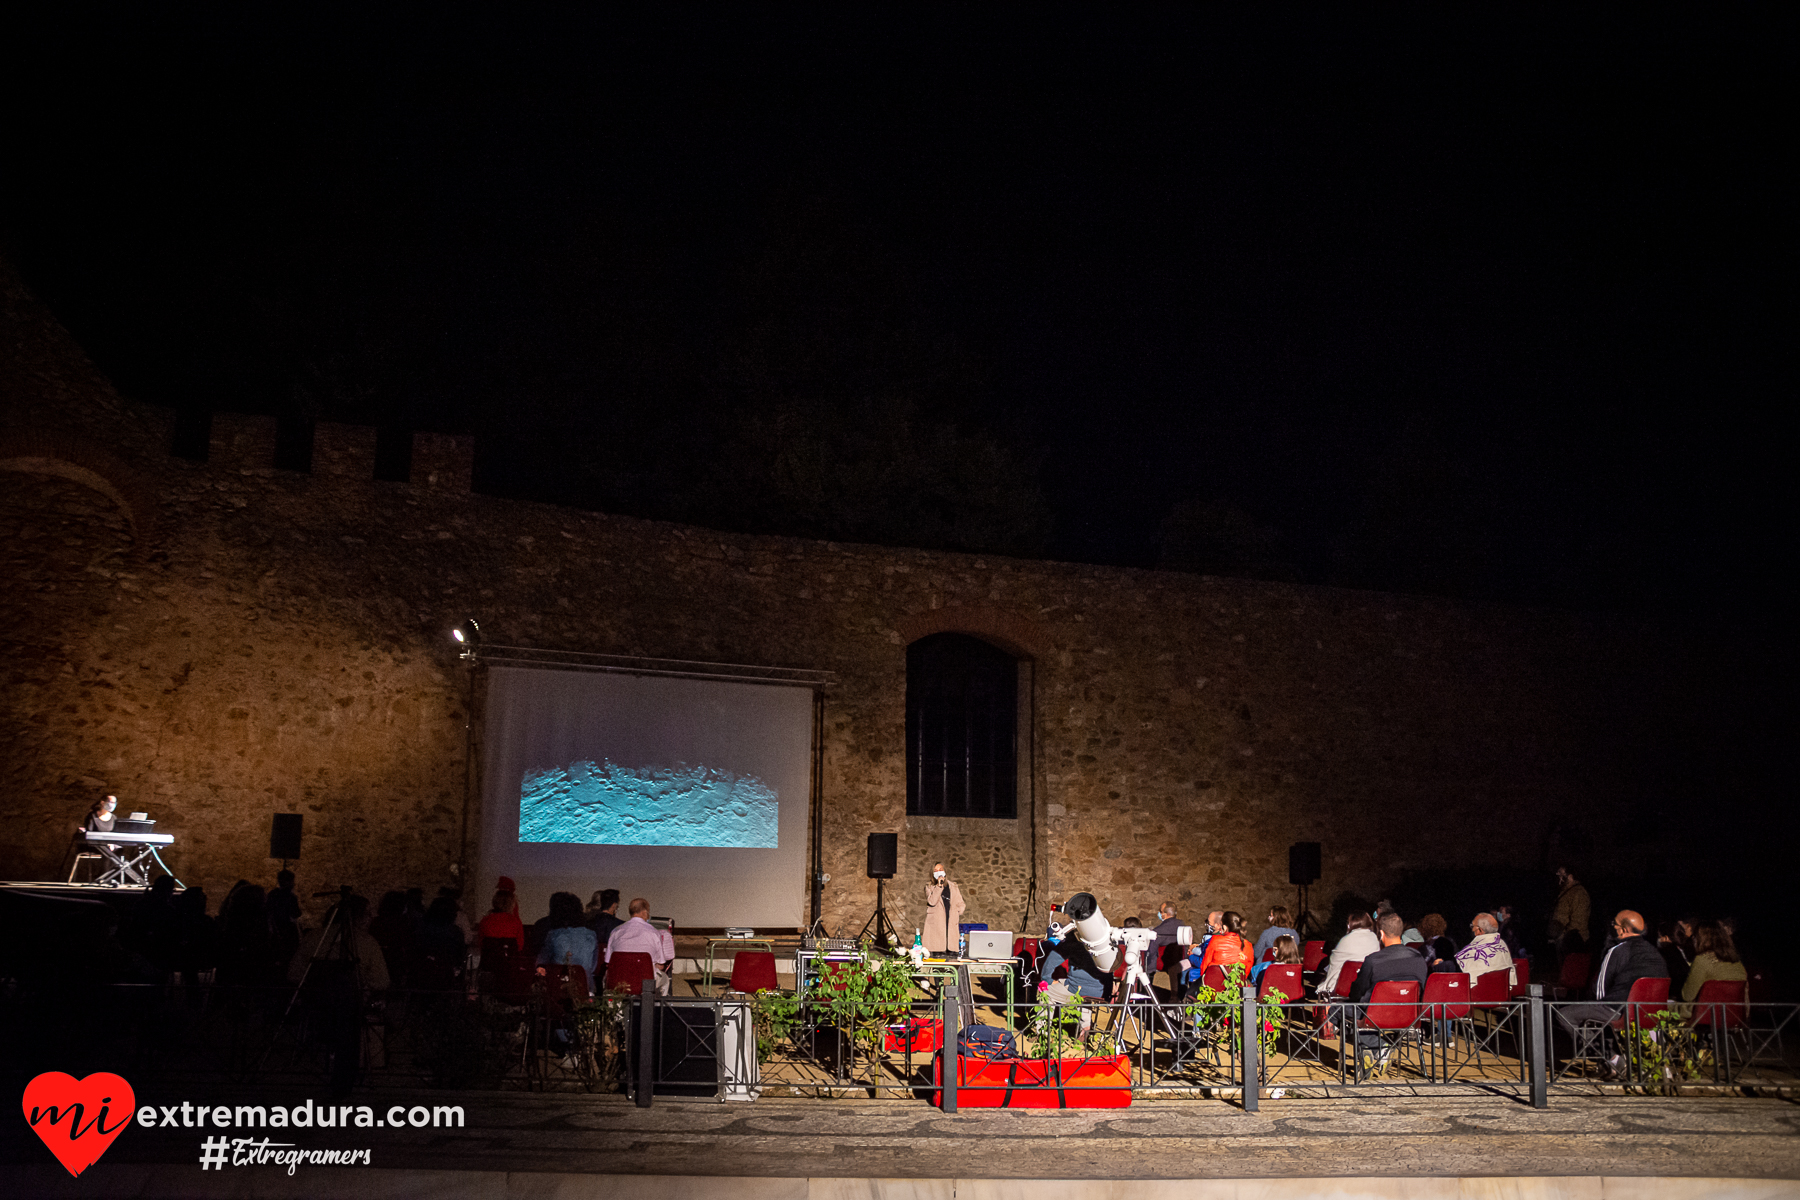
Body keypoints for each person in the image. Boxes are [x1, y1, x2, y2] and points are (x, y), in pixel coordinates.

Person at [1552, 910, 1670, 1074]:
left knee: (1564, 1014)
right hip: (1650, 1012)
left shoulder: (1617, 951)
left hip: (1619, 1010)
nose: (1612, 927)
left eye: (1614, 924)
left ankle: (1611, 1058)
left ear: (1623, 929)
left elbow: (1599, 991)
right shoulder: (1655, 953)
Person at [1337, 912, 1430, 1060]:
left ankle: (1378, 1047)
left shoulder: (1373, 961)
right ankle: (1375, 1050)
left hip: (1375, 1015)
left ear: (1381, 933)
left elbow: (1357, 992)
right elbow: (1422, 989)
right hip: (1410, 1015)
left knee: (1337, 1010)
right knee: (1357, 1016)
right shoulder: (1419, 959)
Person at [605, 897, 675, 994]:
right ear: (644, 912)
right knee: (665, 980)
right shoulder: (653, 933)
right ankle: (658, 1007)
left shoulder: (616, 931)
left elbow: (608, 961)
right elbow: (661, 965)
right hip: (645, 982)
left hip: (618, 981)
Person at [537, 891, 600, 994]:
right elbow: (593, 967)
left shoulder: (553, 935)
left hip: (559, 989)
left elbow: (541, 963)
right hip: (585, 989)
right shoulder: (591, 935)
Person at [1678, 920, 1746, 1007]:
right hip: (1733, 1016)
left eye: (1695, 936)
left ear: (1700, 939)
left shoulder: (1702, 960)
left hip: (1705, 1016)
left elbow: (1687, 996)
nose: (1693, 939)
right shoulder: (1737, 963)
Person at [1317, 912, 1380, 996]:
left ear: (1349, 925)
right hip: (1366, 986)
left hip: (1343, 987)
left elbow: (1334, 961)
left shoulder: (1345, 940)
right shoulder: (1374, 939)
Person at [1193, 910, 1255, 985]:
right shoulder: (1248, 945)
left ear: (1225, 927)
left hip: (1214, 988)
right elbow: (1246, 972)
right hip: (1237, 989)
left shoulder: (1215, 941)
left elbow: (1204, 967)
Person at [1454, 912, 1516, 987]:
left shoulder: (1473, 950)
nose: (1472, 929)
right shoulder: (1501, 944)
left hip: (1479, 992)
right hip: (1502, 991)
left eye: (1472, 926)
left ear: (1479, 930)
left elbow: (1458, 964)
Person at [922, 862, 965, 955]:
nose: (939, 872)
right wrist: (939, 886)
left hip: (951, 922)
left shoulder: (953, 886)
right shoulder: (929, 887)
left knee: (952, 954)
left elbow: (960, 902)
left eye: (940, 869)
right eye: (936, 870)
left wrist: (958, 911)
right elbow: (932, 901)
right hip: (936, 926)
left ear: (945, 871)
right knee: (938, 954)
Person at [1548, 866, 1592, 955]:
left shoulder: (1579, 893)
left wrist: (1564, 937)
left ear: (1570, 877)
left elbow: (1579, 922)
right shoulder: (1566, 891)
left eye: (1561, 874)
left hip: (1572, 943)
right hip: (1561, 941)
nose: (1558, 875)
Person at [479, 887, 525, 951]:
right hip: (509, 960)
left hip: (489, 960)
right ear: (511, 904)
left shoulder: (485, 921)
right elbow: (519, 946)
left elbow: (481, 943)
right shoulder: (515, 922)